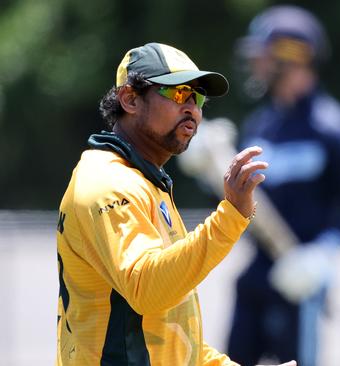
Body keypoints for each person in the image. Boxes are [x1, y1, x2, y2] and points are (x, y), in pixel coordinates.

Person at [56, 42, 295, 366]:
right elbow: (147, 288)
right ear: (130, 99)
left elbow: (175, 341)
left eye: (198, 98)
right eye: (180, 93)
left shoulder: (146, 182)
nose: (193, 109)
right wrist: (231, 216)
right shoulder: (107, 183)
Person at [226, 5, 340, 366]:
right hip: (258, 273)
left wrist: (322, 254)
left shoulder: (332, 127)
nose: (256, 64)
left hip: (301, 275)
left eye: (263, 55)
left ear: (292, 58)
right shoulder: (261, 124)